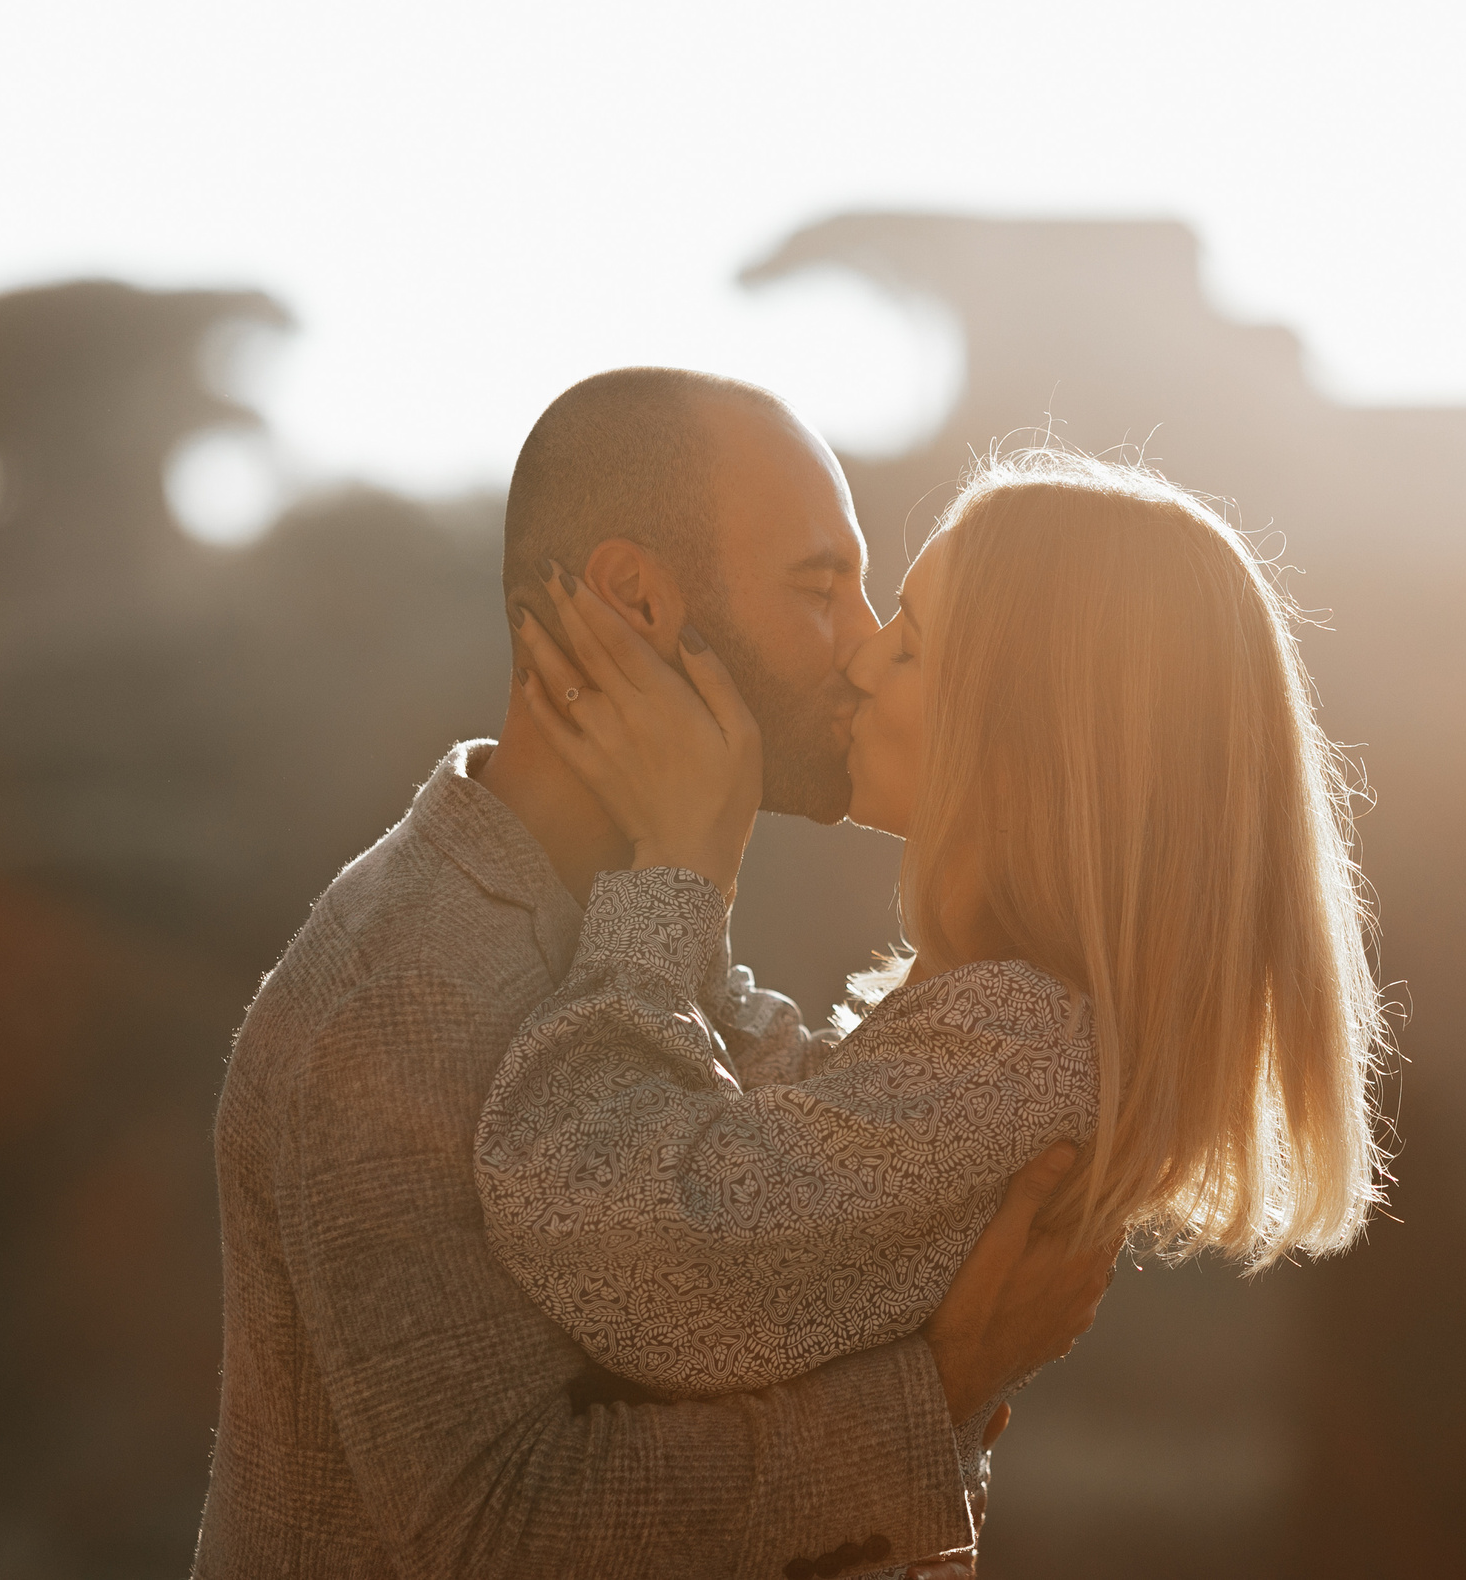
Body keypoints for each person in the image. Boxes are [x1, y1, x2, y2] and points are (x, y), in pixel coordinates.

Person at [192, 371, 1117, 1580]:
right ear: (638, 600)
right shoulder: (399, 999)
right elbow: (504, 1531)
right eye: (818, 588)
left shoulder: (635, 918)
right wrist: (935, 1391)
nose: (858, 653)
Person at [476, 448, 1391, 1562]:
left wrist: (673, 871)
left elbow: (591, 1215)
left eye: (908, 644)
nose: (859, 663)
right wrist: (692, 872)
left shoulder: (1015, 1046)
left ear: (1029, 736)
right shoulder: (1009, 1032)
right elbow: (779, 1164)